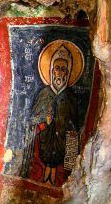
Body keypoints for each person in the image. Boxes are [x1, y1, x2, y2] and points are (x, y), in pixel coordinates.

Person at [27, 45, 81, 185]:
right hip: (42, 148)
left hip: (62, 150)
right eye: (57, 68)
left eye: (63, 69)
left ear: (68, 73)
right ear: (51, 71)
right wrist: (45, 121)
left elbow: (74, 130)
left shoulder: (70, 98)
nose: (59, 73)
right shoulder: (44, 94)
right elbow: (33, 121)